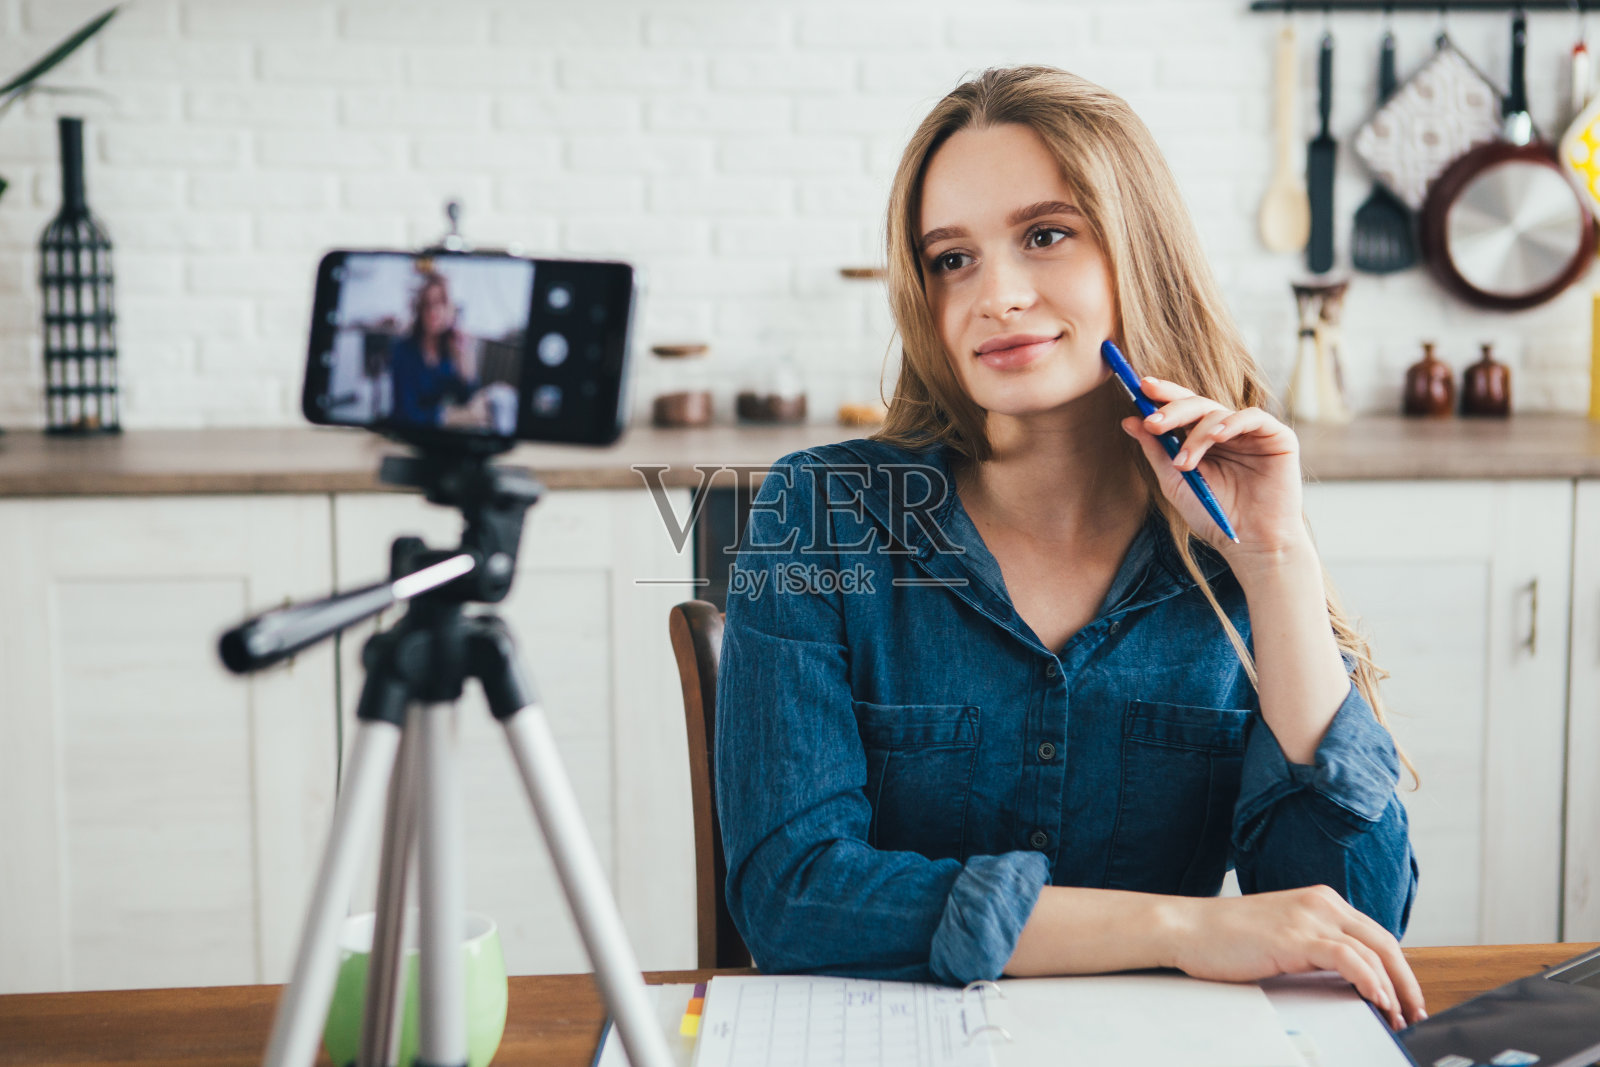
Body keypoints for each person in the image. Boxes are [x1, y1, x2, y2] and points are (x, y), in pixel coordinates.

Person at [714, 66, 1427, 1031]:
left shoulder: (1228, 520)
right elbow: (793, 895)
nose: (996, 295)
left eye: (1045, 236)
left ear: (1139, 252)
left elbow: (1348, 917)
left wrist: (1276, 560)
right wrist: (1178, 928)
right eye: (950, 259)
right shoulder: (821, 508)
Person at [388, 270, 479, 429]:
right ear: (419, 310)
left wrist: (463, 356)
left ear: (450, 308)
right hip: (408, 433)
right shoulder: (403, 350)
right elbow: (405, 414)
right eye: (427, 305)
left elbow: (466, 397)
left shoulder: (451, 347)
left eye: (440, 303)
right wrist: (448, 416)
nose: (433, 312)